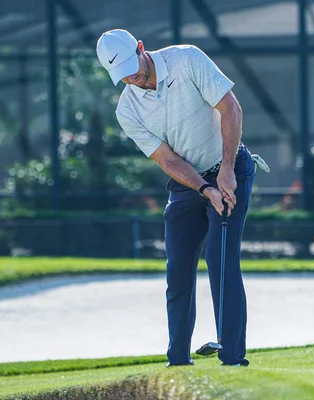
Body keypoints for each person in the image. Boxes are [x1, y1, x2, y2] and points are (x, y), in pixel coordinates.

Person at [96, 29, 268, 367]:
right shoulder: (127, 111)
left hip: (231, 168)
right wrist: (204, 188)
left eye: (135, 67)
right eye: (124, 75)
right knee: (177, 268)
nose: (133, 77)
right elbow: (167, 160)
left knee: (221, 261)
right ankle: (178, 361)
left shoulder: (186, 59)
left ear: (141, 48)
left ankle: (232, 357)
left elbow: (230, 108)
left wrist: (226, 171)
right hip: (188, 183)